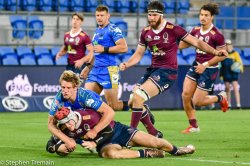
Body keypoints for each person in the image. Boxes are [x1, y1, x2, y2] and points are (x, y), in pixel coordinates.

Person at [119, 1, 228, 136]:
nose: (151, 18)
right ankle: (155, 133)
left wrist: (215, 52)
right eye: (149, 15)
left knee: (139, 96)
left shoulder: (174, 29)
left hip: (169, 72)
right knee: (132, 101)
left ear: (161, 15)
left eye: (154, 15)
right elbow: (138, 54)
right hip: (155, 69)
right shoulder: (146, 31)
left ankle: (131, 132)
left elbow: (198, 43)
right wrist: (127, 63)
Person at [46, 106, 195, 158]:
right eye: (64, 125)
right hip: (106, 145)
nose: (69, 127)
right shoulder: (64, 128)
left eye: (69, 123)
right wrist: (60, 148)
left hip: (118, 131)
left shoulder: (88, 116)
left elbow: (109, 131)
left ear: (72, 116)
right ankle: (148, 154)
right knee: (110, 154)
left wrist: (93, 142)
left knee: (156, 142)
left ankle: (178, 150)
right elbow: (52, 144)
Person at [179, 3, 229, 134]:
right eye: (201, 14)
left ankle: (220, 97)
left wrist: (205, 65)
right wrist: (171, 46)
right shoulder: (195, 30)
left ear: (212, 17)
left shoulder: (217, 35)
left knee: (197, 102)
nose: (203, 17)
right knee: (185, 95)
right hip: (196, 65)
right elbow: (185, 44)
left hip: (209, 68)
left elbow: (223, 56)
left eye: (206, 15)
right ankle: (194, 126)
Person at [47, 70, 115, 152]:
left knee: (107, 151)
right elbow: (50, 124)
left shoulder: (85, 97)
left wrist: (95, 131)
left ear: (75, 88)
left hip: (99, 126)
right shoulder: (58, 99)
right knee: (62, 125)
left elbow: (110, 112)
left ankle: (93, 143)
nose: (65, 91)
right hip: (79, 127)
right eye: (63, 87)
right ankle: (61, 142)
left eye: (68, 88)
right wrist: (67, 140)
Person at [80, 5, 129, 111]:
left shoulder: (113, 29)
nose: (99, 17)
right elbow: (95, 51)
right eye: (97, 15)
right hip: (96, 70)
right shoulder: (97, 31)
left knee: (113, 105)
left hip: (110, 70)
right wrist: (88, 67)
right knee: (88, 102)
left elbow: (124, 47)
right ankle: (96, 126)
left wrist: (105, 49)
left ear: (108, 16)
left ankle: (137, 106)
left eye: (102, 15)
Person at [220, 39, 244, 109]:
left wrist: (241, 69)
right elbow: (221, 66)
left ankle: (238, 105)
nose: (228, 46)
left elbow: (240, 63)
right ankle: (228, 104)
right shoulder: (223, 54)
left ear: (231, 46)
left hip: (233, 73)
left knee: (235, 88)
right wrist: (221, 75)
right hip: (226, 72)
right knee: (227, 88)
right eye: (227, 45)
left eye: (229, 45)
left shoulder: (235, 53)